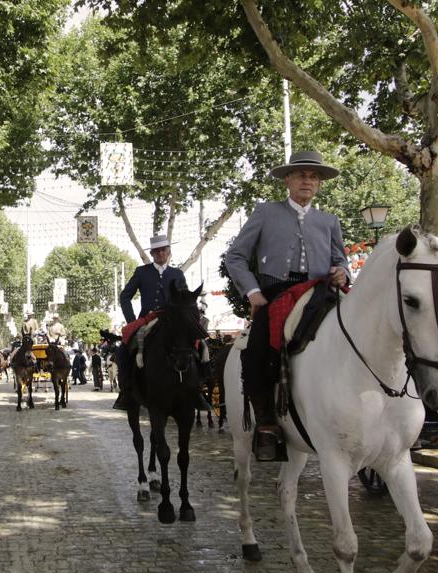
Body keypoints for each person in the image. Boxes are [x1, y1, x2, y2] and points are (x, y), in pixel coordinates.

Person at [224, 150, 350, 461]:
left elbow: (340, 260)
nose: (308, 180)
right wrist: (253, 292)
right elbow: (235, 256)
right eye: (302, 175)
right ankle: (267, 422)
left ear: (319, 184)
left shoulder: (329, 221)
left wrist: (341, 272)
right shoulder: (266, 212)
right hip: (277, 293)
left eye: (314, 176)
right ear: (288, 180)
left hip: (321, 293)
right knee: (255, 351)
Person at [113, 233, 207, 411]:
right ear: (153, 253)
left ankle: (198, 389)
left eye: (164, 250)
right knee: (123, 349)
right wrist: (133, 320)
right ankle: (126, 390)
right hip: (148, 318)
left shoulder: (177, 273)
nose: (161, 253)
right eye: (157, 251)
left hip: (173, 318)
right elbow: (125, 296)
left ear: (169, 252)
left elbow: (185, 297)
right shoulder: (142, 272)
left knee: (200, 344)